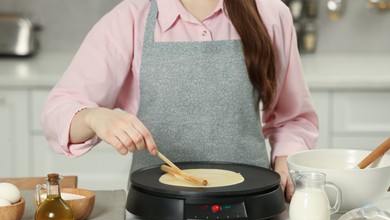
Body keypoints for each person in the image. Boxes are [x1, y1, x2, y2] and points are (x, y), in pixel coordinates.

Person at [41, 0, 319, 202]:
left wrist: (286, 160)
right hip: (156, 212)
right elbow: (58, 112)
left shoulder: (271, 13)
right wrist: (94, 117)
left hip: (253, 207)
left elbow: (293, 118)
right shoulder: (131, 18)